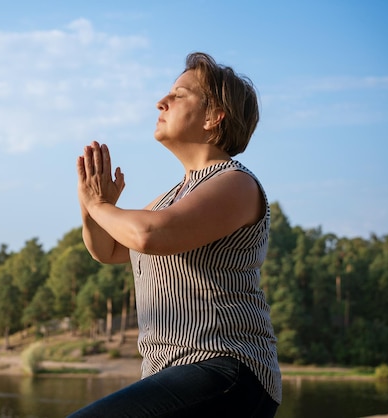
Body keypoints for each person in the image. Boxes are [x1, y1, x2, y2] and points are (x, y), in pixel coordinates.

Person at [70, 52, 281, 417]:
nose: (161, 102)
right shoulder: (171, 198)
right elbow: (107, 249)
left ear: (215, 117)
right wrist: (90, 203)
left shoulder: (234, 183)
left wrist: (101, 206)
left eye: (179, 95)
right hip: (172, 374)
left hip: (228, 371)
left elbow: (148, 235)